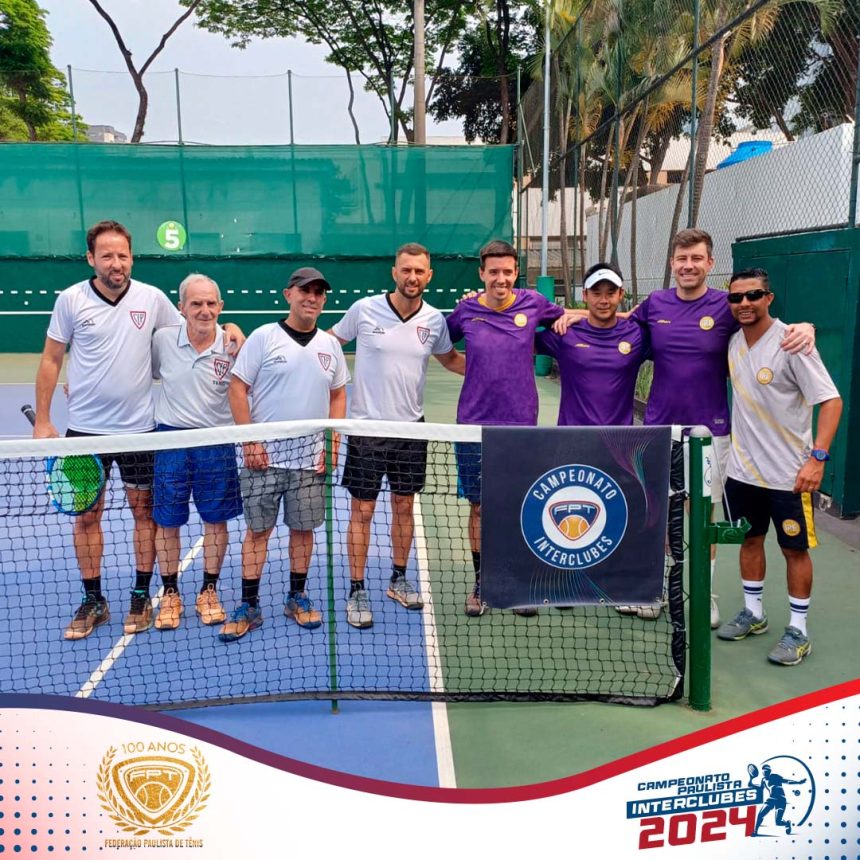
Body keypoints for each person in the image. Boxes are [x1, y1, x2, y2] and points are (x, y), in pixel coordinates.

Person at [615, 228, 815, 625]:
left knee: (702, 517)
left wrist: (806, 326)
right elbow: (612, 321)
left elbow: (768, 326)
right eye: (682, 259)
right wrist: (563, 317)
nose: (688, 266)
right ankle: (656, 591)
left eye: (696, 258)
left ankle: (704, 595)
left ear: (709, 263)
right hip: (660, 430)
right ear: (672, 264)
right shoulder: (655, 304)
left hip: (712, 434)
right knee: (659, 514)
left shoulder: (728, 307)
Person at [34, 221, 182, 640]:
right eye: (107, 256)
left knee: (144, 513)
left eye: (123, 255)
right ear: (91, 259)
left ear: (131, 257)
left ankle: (141, 594)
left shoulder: (152, 298)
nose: (116, 263)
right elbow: (51, 359)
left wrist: (231, 330)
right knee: (86, 518)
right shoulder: (71, 300)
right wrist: (44, 419)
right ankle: (93, 600)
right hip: (85, 433)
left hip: (139, 432)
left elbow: (186, 333)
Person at [331, 243, 464, 629]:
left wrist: (498, 368)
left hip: (411, 430)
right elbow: (328, 343)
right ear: (394, 272)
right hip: (366, 431)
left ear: (429, 276)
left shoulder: (434, 320)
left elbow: (451, 360)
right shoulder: (364, 309)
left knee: (404, 507)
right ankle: (357, 589)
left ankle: (398, 579)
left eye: (420, 271)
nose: (412, 277)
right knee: (363, 511)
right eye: (406, 270)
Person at [715, 268, 841, 666]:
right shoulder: (733, 342)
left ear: (769, 298)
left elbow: (831, 401)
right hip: (741, 473)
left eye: (753, 295)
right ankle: (753, 613)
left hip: (789, 476)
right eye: (736, 297)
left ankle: (798, 630)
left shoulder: (793, 343)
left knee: (794, 550)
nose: (745, 303)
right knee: (749, 541)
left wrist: (817, 459)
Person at [222, 267, 348, 641]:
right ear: (288, 294)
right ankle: (249, 605)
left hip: (310, 462)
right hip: (263, 461)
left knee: (303, 531)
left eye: (319, 292)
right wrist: (250, 441)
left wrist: (333, 442)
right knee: (258, 532)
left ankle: (297, 596)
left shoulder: (330, 346)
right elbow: (237, 388)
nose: (312, 297)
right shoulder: (264, 337)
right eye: (305, 290)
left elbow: (338, 394)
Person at [446, 239, 564, 617]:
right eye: (493, 271)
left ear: (516, 273)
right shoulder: (465, 310)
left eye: (508, 272)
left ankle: (515, 580)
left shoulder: (534, 303)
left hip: (520, 425)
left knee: (518, 504)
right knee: (480, 506)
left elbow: (573, 317)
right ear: (481, 273)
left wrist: (620, 315)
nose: (501, 278)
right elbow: (441, 346)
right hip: (473, 426)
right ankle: (482, 583)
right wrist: (471, 371)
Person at [150, 274, 243, 631]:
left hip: (216, 443)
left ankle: (209, 591)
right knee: (167, 521)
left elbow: (248, 389)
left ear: (221, 307)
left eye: (210, 303)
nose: (204, 310)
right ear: (181, 308)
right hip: (170, 441)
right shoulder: (162, 340)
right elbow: (137, 374)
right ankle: (170, 594)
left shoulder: (234, 345)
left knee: (215, 521)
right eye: (196, 303)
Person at [536, 262, 648, 426]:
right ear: (585, 295)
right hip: (572, 438)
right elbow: (522, 329)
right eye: (596, 293)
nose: (603, 300)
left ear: (621, 294)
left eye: (610, 293)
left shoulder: (636, 334)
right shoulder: (565, 332)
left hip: (619, 439)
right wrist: (567, 315)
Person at [749, 763, 806, 835]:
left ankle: (787, 823)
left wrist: (798, 782)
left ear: (770, 771)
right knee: (760, 815)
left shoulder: (775, 776)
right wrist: (752, 785)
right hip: (771, 799)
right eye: (765, 771)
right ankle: (755, 831)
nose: (766, 772)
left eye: (768, 771)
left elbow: (787, 781)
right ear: (762, 772)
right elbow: (760, 788)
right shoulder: (763, 780)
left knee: (778, 822)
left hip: (780, 799)